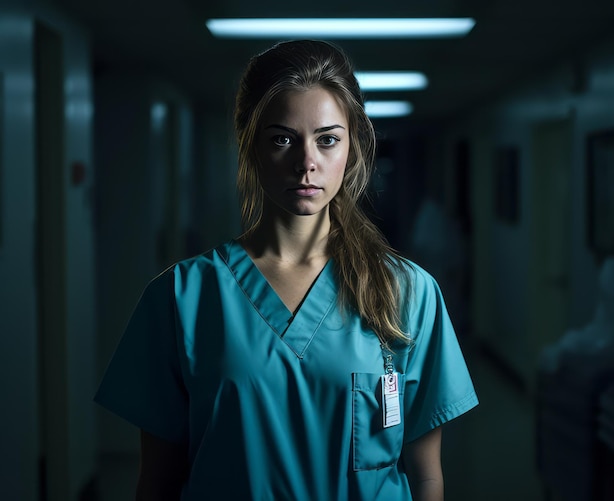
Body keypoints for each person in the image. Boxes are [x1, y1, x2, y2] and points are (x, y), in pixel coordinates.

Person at [95, 39, 478, 500]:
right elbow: (158, 481)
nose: (306, 163)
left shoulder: (407, 292)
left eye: (327, 139)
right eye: (282, 139)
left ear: (352, 147)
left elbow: (426, 476)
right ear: (250, 145)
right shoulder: (182, 297)